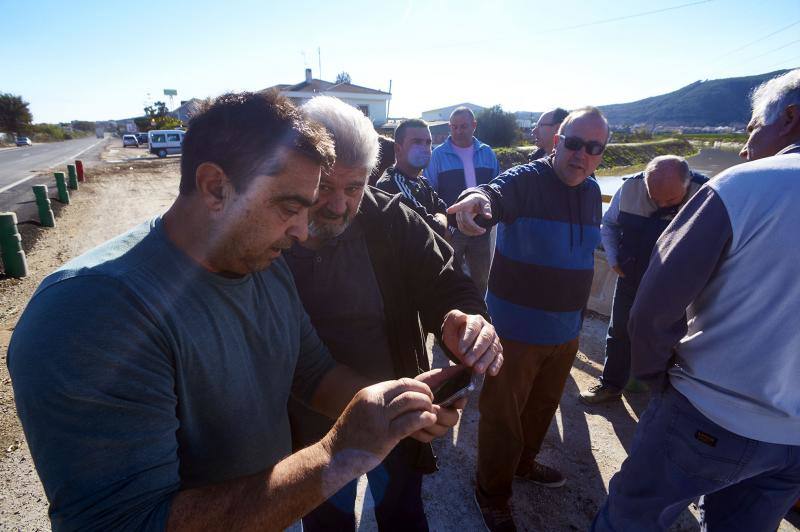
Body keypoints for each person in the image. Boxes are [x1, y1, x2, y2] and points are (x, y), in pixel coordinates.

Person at [7, 91, 483, 531]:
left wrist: (394, 408)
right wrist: (339, 453)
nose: (303, 231)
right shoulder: (90, 314)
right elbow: (126, 521)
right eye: (291, 206)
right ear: (215, 188)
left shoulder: (261, 263)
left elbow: (312, 373)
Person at [592, 69, 800, 531]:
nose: (747, 146)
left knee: (632, 518)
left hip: (707, 415)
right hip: (793, 446)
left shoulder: (741, 186)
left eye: (752, 128)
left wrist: (655, 378)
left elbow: (651, 311)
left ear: (788, 118)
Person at [286, 96, 502, 532]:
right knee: (328, 519)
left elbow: (445, 278)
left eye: (354, 187)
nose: (339, 205)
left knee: (402, 512)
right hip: (310, 424)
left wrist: (459, 320)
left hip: (400, 409)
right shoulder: (273, 234)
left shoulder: (391, 219)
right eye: (324, 187)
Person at [448, 107, 608, 531]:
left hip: (565, 331)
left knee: (541, 408)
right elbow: (495, 193)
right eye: (573, 143)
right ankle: (491, 492)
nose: (581, 154)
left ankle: (522, 465)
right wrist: (476, 200)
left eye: (594, 148)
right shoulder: (529, 179)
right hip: (516, 332)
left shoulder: (592, 192)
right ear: (557, 143)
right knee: (503, 415)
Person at [579, 155, 708, 404]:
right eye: (653, 197)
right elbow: (610, 224)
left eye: (670, 200)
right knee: (619, 331)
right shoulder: (630, 188)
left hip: (678, 285)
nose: (660, 204)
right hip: (631, 275)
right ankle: (611, 386)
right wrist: (614, 259)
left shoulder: (707, 194)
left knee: (672, 337)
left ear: (687, 181)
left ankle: (662, 395)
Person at [426, 106, 500, 296]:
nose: (458, 131)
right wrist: (442, 225)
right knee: (449, 273)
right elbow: (430, 192)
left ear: (474, 126)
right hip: (452, 230)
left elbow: (497, 190)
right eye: (454, 127)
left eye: (463, 126)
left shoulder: (487, 153)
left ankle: (479, 311)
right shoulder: (438, 155)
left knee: (481, 276)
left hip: (481, 228)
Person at [376, 118, 449, 238]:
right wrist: (441, 219)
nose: (425, 149)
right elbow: (435, 229)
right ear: (398, 149)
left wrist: (441, 217)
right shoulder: (392, 184)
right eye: (417, 142)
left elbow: (443, 208)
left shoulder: (421, 181)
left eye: (428, 142)